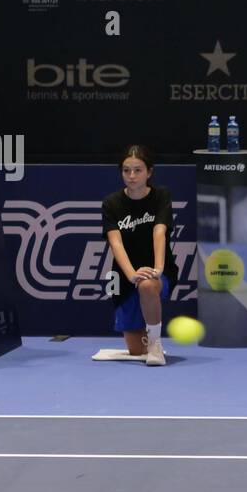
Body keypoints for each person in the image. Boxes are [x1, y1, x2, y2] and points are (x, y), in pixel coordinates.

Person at [101, 145, 179, 366]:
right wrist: (132, 274)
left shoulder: (161, 196)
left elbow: (159, 232)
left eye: (138, 170)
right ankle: (146, 338)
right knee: (135, 352)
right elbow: (115, 243)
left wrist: (158, 269)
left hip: (157, 270)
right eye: (126, 170)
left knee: (147, 286)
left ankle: (155, 344)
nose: (132, 176)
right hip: (125, 278)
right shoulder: (111, 203)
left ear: (150, 172)